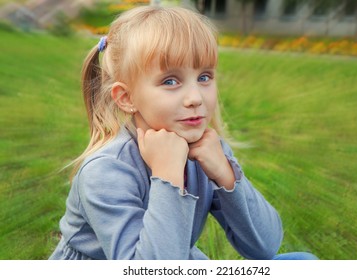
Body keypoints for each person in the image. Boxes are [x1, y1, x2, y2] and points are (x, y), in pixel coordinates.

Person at [49, 5, 317, 260]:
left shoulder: (204, 149)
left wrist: (225, 174)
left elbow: (265, 247)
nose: (195, 98)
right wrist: (167, 175)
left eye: (204, 77)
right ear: (127, 97)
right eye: (170, 81)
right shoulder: (106, 171)